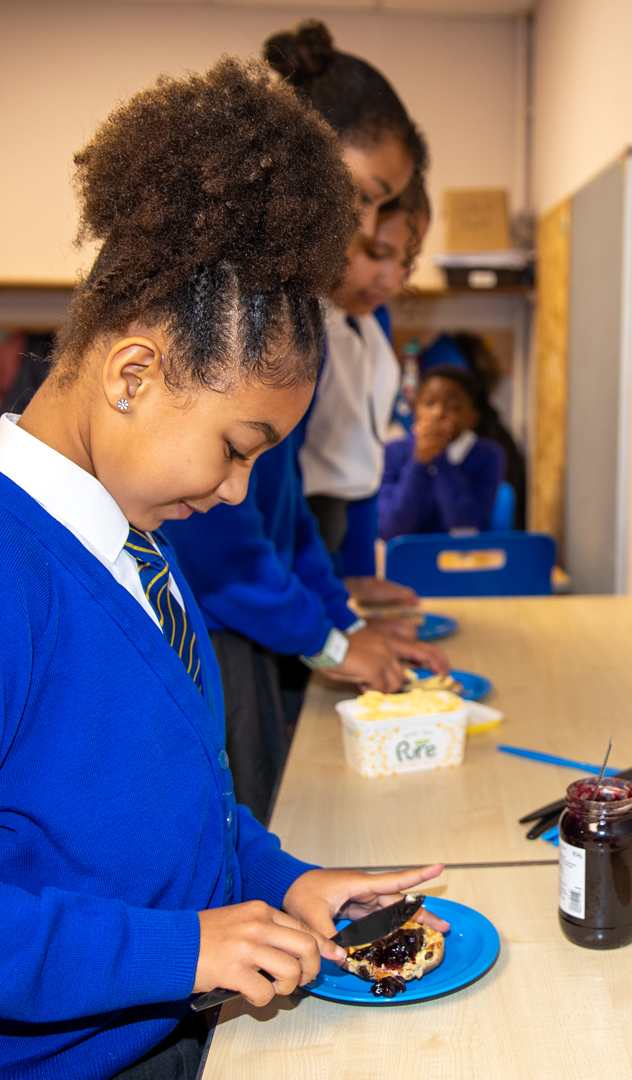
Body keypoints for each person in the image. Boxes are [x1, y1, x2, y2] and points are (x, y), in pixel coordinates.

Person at [0, 59, 447, 1080]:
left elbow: (179, 803)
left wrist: (285, 878)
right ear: (133, 373)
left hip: (162, 1022)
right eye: (234, 448)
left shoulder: (141, 543)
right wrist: (180, 950)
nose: (235, 493)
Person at [164, 20, 445, 821]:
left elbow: (281, 515)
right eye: (363, 197)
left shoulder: (287, 300)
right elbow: (219, 533)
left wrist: (342, 624)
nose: (366, 230)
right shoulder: (227, 295)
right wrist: (328, 639)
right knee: (234, 820)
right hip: (197, 614)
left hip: (241, 606)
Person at [303, 174, 430, 596]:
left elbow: (364, 458)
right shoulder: (305, 323)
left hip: (345, 523)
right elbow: (280, 487)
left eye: (407, 263)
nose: (393, 281)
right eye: (377, 253)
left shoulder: (374, 318)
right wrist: (329, 600)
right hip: (300, 531)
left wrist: (360, 576)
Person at [379, 363, 507, 538]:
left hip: (461, 554)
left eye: (453, 407)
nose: (438, 413)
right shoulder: (392, 452)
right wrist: (419, 462)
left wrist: (439, 457)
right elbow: (390, 530)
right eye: (429, 403)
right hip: (407, 554)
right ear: (416, 408)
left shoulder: (488, 456)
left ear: (473, 417)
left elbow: (468, 528)